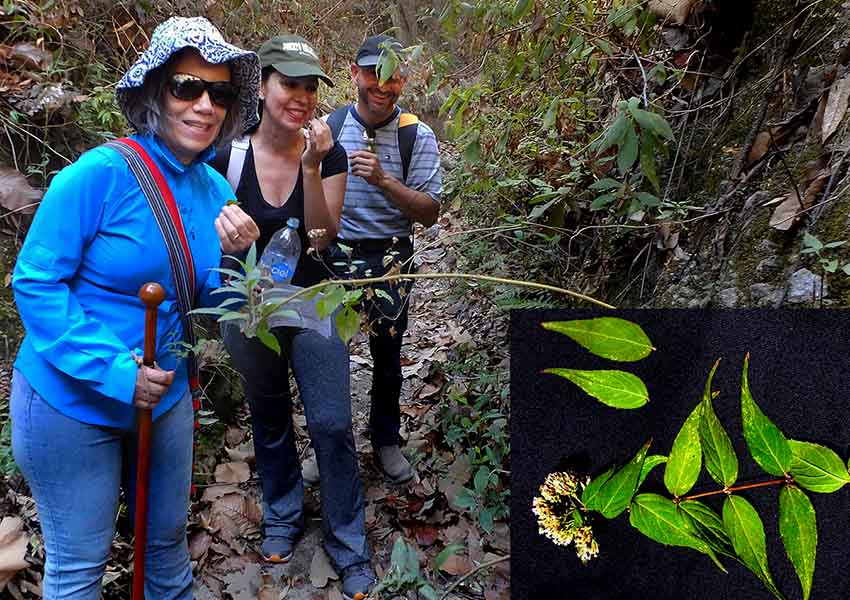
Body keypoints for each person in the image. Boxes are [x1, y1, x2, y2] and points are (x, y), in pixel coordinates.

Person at [10, 17, 260, 600]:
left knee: (167, 555)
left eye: (220, 93)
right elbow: (36, 282)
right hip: (69, 401)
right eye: (186, 87)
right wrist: (117, 373)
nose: (205, 105)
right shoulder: (98, 175)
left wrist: (242, 261)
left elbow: (212, 305)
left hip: (166, 395)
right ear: (155, 91)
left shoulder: (216, 191)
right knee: (79, 570)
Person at [210, 34, 374, 600]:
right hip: (248, 302)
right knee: (269, 412)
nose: (300, 97)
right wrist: (224, 239)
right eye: (289, 84)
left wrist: (310, 166)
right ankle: (282, 514)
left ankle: (347, 540)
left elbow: (324, 239)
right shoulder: (226, 152)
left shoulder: (330, 153)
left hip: (314, 298)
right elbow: (199, 230)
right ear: (264, 85)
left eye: (310, 87)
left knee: (330, 421)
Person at [302, 34, 442, 486]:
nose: (382, 85)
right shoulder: (328, 128)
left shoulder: (414, 135)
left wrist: (384, 180)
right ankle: (327, 444)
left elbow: (430, 211)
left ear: (404, 80)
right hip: (335, 256)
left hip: (392, 255)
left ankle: (386, 439)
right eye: (372, 74)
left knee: (387, 351)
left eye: (393, 76)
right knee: (326, 353)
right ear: (353, 74)